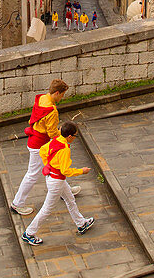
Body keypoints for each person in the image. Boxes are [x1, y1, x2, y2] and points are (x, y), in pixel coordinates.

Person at [11, 79, 79, 215]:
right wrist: (62, 133)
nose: (62, 98)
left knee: (56, 165)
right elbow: (52, 132)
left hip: (35, 139)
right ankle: (17, 203)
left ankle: (64, 190)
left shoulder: (42, 98)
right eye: (62, 95)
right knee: (32, 174)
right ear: (57, 93)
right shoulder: (52, 111)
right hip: (39, 144)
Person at [21, 123, 95, 245]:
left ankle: (81, 223)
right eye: (75, 136)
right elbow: (66, 170)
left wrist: (49, 164)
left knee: (70, 199)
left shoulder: (56, 140)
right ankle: (29, 233)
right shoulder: (65, 149)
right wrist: (82, 171)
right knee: (47, 209)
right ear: (70, 136)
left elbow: (43, 151)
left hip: (53, 177)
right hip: (57, 181)